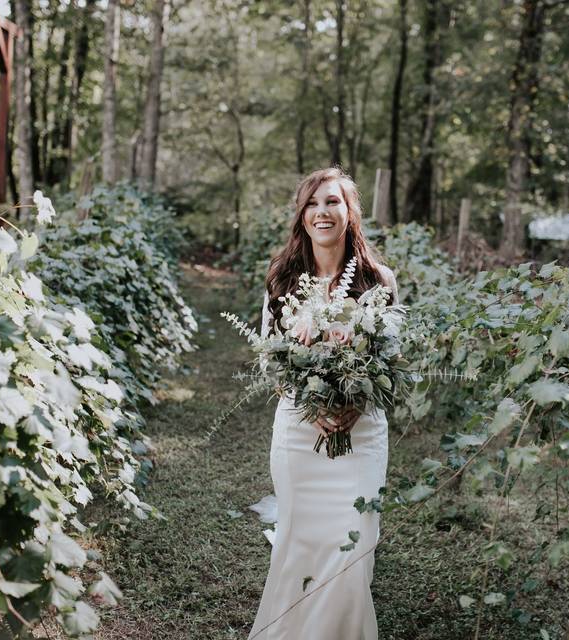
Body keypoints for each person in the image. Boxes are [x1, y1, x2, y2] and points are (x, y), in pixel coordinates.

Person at [248, 167, 399, 640]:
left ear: (349, 212)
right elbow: (272, 364)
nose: (322, 212)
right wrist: (315, 403)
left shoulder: (379, 279)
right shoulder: (281, 280)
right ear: (302, 215)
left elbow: (391, 360)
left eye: (332, 201)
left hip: (362, 433)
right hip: (299, 433)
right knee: (301, 541)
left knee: (354, 546)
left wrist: (355, 400)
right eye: (313, 203)